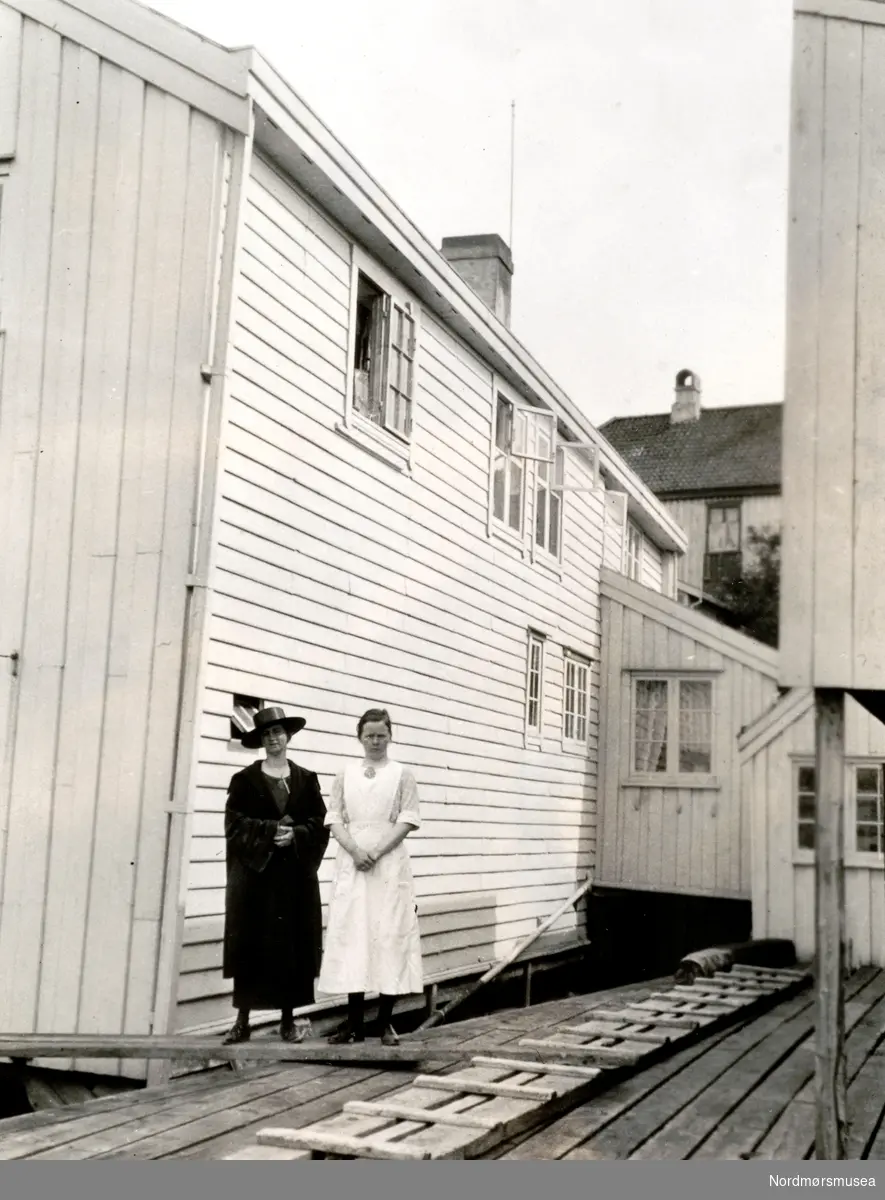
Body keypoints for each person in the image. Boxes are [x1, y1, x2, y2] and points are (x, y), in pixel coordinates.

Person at [222, 706, 329, 1044]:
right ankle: (242, 1022)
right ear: (260, 740)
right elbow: (234, 825)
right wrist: (270, 832)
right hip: (256, 879)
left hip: (293, 878)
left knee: (290, 949)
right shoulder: (244, 780)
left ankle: (287, 1021)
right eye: (267, 734)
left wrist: (295, 835)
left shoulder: (306, 779)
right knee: (252, 947)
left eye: (279, 732)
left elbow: (319, 823)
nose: (274, 739)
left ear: (288, 736)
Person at [318, 708, 423, 1044]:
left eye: (381, 735)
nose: (375, 741)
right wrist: (354, 850)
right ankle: (353, 1025)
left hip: (389, 864)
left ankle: (385, 1023)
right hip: (353, 864)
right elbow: (334, 818)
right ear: (359, 737)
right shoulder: (344, 774)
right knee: (354, 935)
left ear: (390, 735)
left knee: (389, 935)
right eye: (369, 736)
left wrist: (376, 852)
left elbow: (407, 819)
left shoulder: (402, 774)